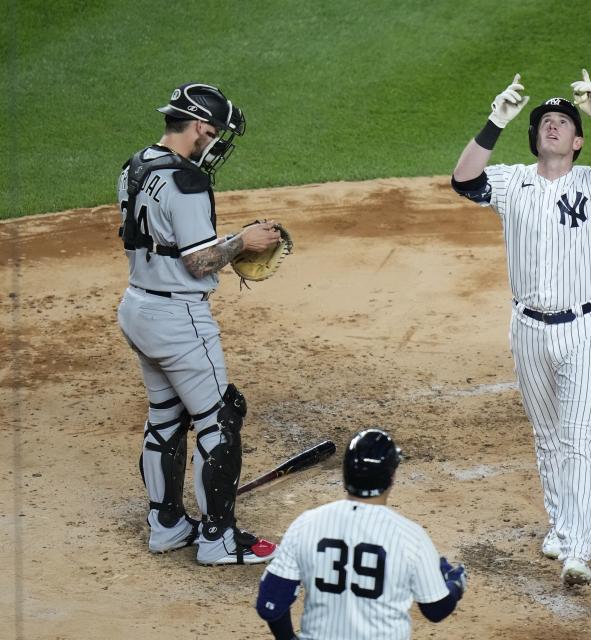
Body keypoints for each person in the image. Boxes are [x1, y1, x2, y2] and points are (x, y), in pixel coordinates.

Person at [450, 70, 591, 585]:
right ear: (535, 136)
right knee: (547, 438)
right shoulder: (511, 180)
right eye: (546, 123)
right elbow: (464, 179)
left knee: (578, 437)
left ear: (578, 141)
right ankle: (561, 527)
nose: (553, 127)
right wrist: (496, 120)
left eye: (563, 122)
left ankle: (577, 551)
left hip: (584, 329)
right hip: (529, 330)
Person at [116, 82, 282, 564]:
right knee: (220, 419)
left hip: (139, 306)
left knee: (166, 416)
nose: (218, 144)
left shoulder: (136, 164)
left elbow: (163, 242)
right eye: (218, 135)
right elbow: (199, 262)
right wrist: (242, 242)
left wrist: (224, 242)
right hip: (178, 319)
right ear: (201, 128)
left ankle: (166, 525)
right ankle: (218, 539)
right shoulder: (188, 181)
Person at [256, 429, 466, 640]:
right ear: (391, 478)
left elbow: (270, 605)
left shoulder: (307, 524)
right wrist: (454, 585)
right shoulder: (410, 537)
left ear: (345, 474)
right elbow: (436, 610)